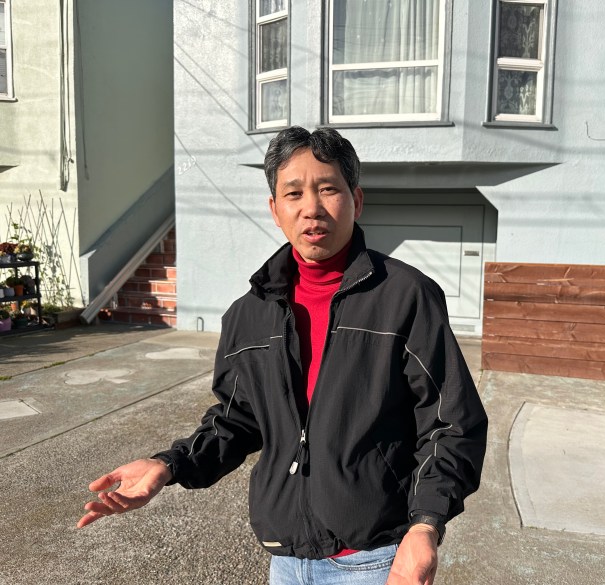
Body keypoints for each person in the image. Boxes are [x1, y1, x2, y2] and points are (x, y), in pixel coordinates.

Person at [78, 126, 488, 585]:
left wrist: (425, 526)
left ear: (356, 198)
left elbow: (452, 423)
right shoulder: (248, 315)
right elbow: (236, 421)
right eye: (293, 193)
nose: (311, 208)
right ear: (275, 209)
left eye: (328, 188)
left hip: (375, 559)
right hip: (286, 560)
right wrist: (169, 465)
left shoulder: (406, 296)